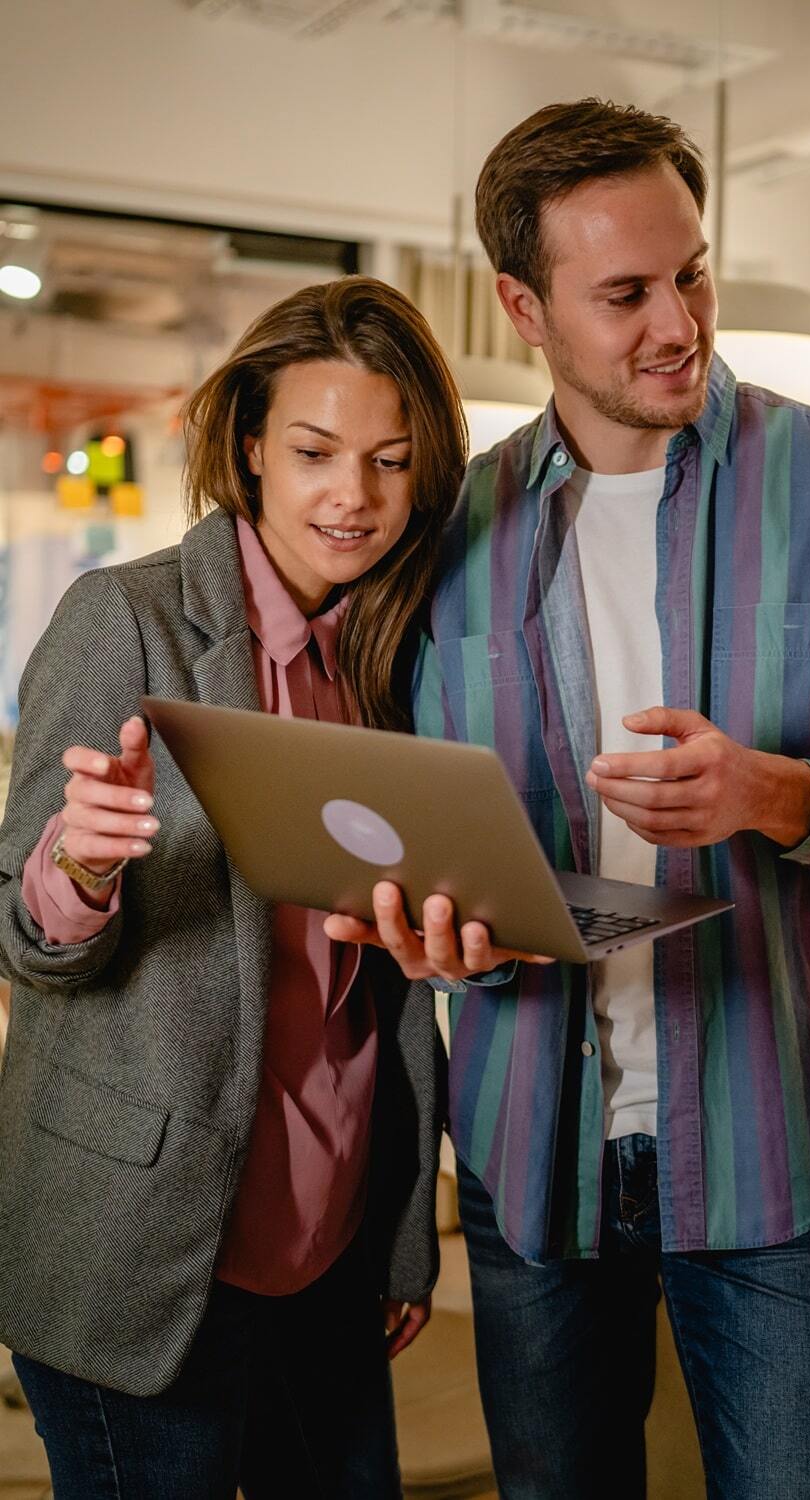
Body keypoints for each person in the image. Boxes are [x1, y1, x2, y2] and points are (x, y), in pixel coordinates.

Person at [330, 97, 810, 1500]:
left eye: (694, 274)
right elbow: (402, 826)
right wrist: (425, 928)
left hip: (785, 1153)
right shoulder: (440, 534)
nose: (679, 323)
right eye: (624, 295)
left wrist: (786, 797)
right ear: (522, 307)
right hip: (530, 1155)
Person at [0, 277, 465, 1499]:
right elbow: (24, 936)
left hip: (333, 1247)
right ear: (251, 445)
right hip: (144, 1249)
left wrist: (399, 1240)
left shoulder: (396, 654)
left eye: (390, 462)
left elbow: (380, 1001)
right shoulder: (127, 619)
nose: (352, 496)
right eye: (314, 452)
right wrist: (81, 864)